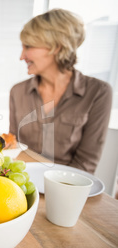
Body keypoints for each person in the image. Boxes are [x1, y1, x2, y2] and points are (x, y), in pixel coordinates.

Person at [9, 9, 112, 174]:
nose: (22, 56)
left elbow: (86, 165)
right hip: (24, 185)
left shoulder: (98, 92)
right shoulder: (17, 91)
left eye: (28, 46)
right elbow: (13, 147)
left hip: (68, 185)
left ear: (56, 47)